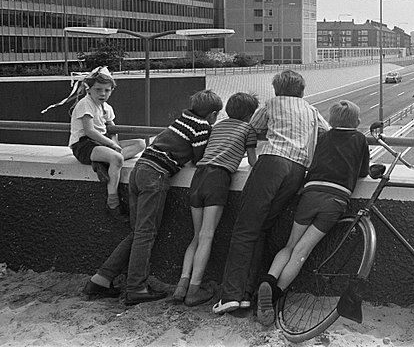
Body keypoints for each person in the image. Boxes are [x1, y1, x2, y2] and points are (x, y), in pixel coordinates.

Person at [82, 90, 222, 306]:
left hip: (141, 169)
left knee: (138, 231)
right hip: (155, 176)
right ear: (213, 114)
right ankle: (136, 287)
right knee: (146, 233)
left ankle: (101, 278)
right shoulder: (202, 126)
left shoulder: (182, 118)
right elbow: (199, 158)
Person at [213, 70, 330, 315]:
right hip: (298, 171)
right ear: (302, 91)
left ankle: (232, 295)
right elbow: (327, 132)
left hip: (272, 164)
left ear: (277, 90)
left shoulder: (272, 104)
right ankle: (248, 292)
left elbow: (251, 127)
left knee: (245, 229)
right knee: (262, 228)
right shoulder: (311, 109)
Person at [255, 99, 370, 326]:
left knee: (290, 244)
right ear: (356, 121)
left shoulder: (323, 137)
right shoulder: (360, 139)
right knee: (303, 251)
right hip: (335, 198)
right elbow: (363, 171)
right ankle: (277, 294)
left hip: (310, 192)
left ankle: (269, 278)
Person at [173, 92, 260, 307]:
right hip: (218, 179)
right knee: (207, 235)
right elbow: (252, 160)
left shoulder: (217, 126)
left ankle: (181, 286)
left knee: (196, 236)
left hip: (199, 176)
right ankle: (194, 290)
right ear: (250, 115)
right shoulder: (248, 129)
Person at [67, 66, 146, 219]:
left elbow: (112, 129)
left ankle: (103, 162)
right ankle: (113, 202)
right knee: (117, 158)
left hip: (101, 144)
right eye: (98, 89)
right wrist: (111, 146)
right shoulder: (85, 104)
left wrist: (114, 142)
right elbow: (90, 131)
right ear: (88, 89)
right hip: (84, 145)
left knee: (141, 144)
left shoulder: (106, 107)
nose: (103, 94)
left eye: (107, 90)